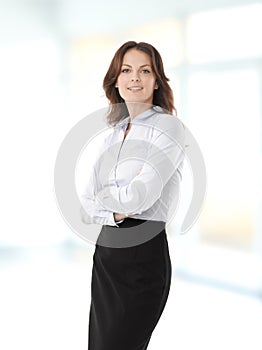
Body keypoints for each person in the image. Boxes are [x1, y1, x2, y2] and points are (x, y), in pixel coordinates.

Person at [80, 41, 186, 350]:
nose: (135, 78)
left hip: (144, 256)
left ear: (157, 80)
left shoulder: (167, 127)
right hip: (106, 255)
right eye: (126, 70)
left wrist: (109, 198)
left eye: (145, 71)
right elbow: (87, 203)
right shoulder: (114, 133)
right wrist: (116, 206)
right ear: (115, 80)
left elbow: (141, 197)